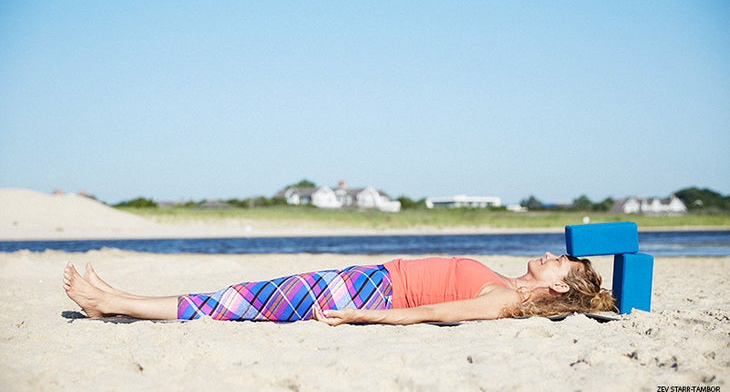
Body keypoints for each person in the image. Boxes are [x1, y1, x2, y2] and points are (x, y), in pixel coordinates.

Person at [62, 252, 616, 326]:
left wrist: (361, 316)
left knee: (238, 303)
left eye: (559, 262)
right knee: (246, 294)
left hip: (369, 293)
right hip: (367, 280)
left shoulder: (506, 299)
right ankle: (120, 297)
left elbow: (436, 315)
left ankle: (113, 303)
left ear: (559, 286)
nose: (549, 256)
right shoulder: (503, 282)